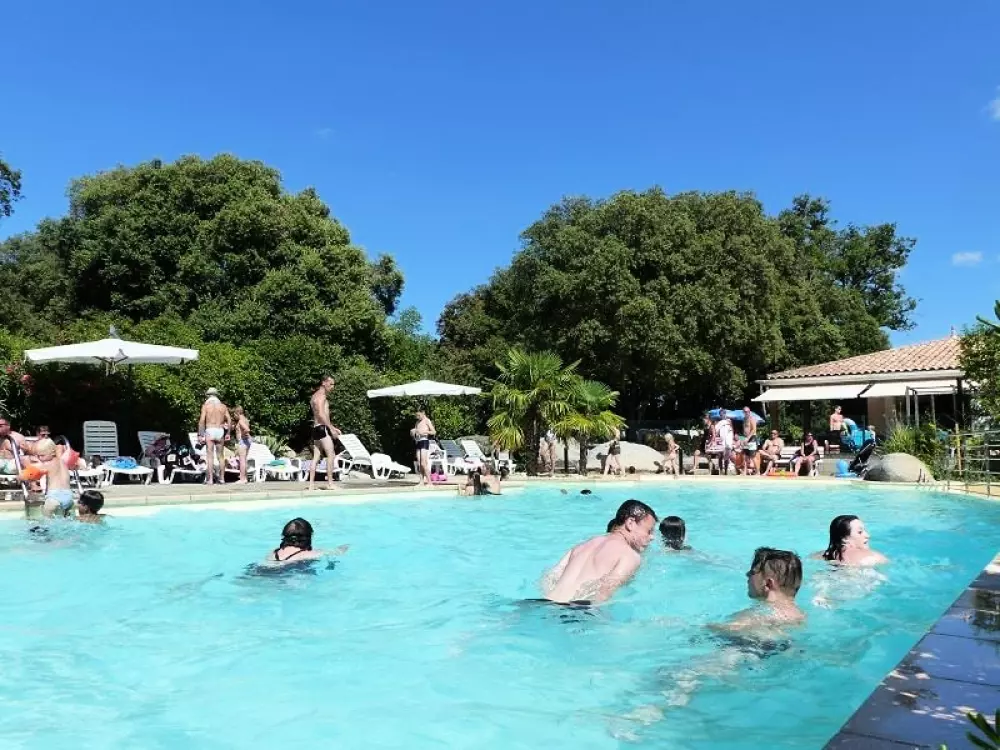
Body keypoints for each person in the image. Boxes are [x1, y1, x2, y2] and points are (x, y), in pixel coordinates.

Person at [541, 499, 657, 605]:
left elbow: (550, 578)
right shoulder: (630, 555)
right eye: (649, 531)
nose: (652, 537)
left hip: (545, 603)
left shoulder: (581, 546)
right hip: (575, 611)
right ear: (630, 523)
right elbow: (604, 593)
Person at [710, 547, 805, 634]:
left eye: (752, 572)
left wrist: (708, 627)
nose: (747, 574)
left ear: (768, 584)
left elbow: (728, 629)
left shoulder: (758, 615)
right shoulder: (799, 616)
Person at [261, 517, 349, 567]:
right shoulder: (311, 554)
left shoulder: (273, 552)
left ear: (284, 536)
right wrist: (347, 545)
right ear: (309, 536)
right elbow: (337, 552)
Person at [308, 376, 342, 491]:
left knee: (316, 457)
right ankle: (330, 484)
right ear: (324, 383)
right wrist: (331, 428)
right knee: (331, 454)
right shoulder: (321, 396)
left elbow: (319, 415)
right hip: (323, 428)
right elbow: (321, 415)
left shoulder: (314, 396)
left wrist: (333, 427)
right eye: (331, 384)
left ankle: (311, 485)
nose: (332, 387)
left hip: (316, 428)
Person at [816, 515, 888, 566]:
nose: (867, 535)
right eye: (860, 532)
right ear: (844, 539)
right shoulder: (872, 556)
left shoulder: (820, 556)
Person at [29, 438, 74, 517]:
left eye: (42, 455)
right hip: (69, 497)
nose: (39, 458)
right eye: (38, 456)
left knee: (46, 520)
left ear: (52, 453)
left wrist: (20, 476)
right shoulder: (63, 462)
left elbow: (31, 472)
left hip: (54, 498)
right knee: (65, 519)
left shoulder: (48, 464)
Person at [198, 387, 231, 485]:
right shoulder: (223, 406)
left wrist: (200, 434)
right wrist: (228, 433)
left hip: (210, 430)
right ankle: (222, 479)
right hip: (220, 430)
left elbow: (201, 421)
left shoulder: (206, 406)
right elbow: (229, 420)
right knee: (221, 456)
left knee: (210, 456)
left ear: (208, 396)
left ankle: (210, 480)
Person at [411, 409, 436, 487]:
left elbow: (434, 432)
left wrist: (425, 432)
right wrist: (413, 433)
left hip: (424, 441)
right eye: (416, 415)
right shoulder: (417, 422)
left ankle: (430, 482)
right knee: (419, 463)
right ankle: (421, 481)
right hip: (418, 442)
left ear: (423, 413)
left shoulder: (427, 421)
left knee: (423, 463)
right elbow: (415, 434)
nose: (417, 417)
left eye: (419, 415)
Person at [232, 406, 252, 484]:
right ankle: (245, 478)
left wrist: (242, 435)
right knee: (244, 460)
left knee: (242, 460)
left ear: (237, 413)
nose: (234, 416)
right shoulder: (245, 419)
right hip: (247, 441)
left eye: (234, 414)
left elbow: (247, 429)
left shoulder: (240, 420)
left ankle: (242, 479)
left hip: (243, 441)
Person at [740, 407, 759, 475]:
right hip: (745, 438)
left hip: (752, 438)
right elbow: (744, 429)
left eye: (747, 411)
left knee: (753, 456)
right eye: (745, 411)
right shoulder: (744, 419)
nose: (746, 412)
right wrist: (742, 439)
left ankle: (757, 472)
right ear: (743, 412)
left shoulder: (752, 418)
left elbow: (754, 429)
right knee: (745, 456)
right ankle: (744, 472)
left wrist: (748, 438)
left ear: (749, 411)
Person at [715, 410, 734, 475]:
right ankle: (720, 471)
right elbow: (716, 431)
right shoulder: (719, 422)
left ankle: (725, 471)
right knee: (720, 455)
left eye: (723, 414)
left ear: (725, 414)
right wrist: (717, 438)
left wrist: (732, 439)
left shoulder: (729, 421)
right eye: (721, 414)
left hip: (728, 440)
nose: (722, 415)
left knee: (727, 456)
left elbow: (732, 430)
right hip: (721, 440)